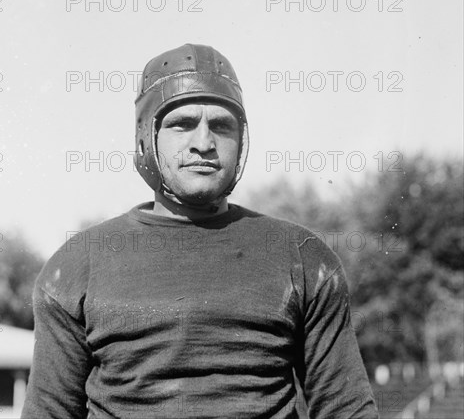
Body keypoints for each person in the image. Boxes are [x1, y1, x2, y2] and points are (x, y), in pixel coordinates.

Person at [21, 44, 378, 418]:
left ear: (241, 141)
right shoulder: (76, 266)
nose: (204, 143)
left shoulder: (304, 258)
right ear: (147, 137)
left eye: (221, 126)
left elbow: (346, 409)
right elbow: (49, 412)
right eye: (183, 124)